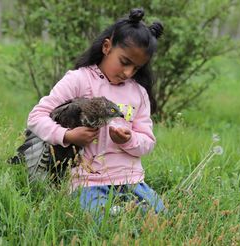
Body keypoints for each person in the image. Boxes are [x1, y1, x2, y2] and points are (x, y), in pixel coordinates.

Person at [27, 8, 165, 215]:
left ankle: (126, 211)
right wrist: (67, 135)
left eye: (135, 68)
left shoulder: (138, 93)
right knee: (101, 218)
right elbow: (36, 117)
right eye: (124, 62)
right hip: (86, 181)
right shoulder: (79, 80)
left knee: (160, 216)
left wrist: (127, 140)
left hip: (130, 179)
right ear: (107, 47)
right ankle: (115, 212)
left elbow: (147, 143)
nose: (128, 73)